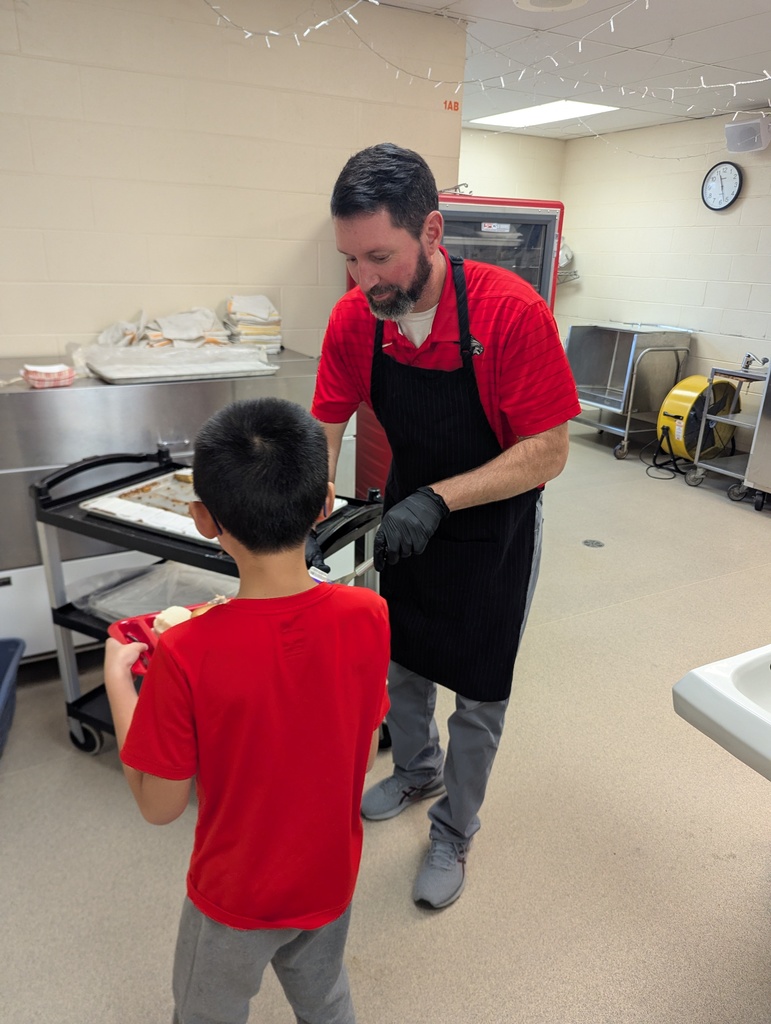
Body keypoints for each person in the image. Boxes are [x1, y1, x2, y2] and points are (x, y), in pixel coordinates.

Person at [311, 143, 581, 911]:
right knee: (402, 660)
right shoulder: (355, 320)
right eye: (349, 260)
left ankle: (455, 827)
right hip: (406, 518)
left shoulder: (509, 314)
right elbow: (326, 420)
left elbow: (548, 451)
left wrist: (438, 498)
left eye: (379, 257)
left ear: (431, 231)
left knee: (480, 689)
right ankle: (414, 767)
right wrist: (311, 500)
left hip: (494, 530)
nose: (364, 281)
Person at [104, 397, 390, 1024]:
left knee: (208, 1011)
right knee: (326, 996)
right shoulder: (369, 615)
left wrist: (119, 683)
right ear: (325, 504)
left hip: (235, 898)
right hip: (329, 879)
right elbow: (363, 755)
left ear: (204, 519)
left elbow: (160, 805)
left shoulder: (186, 650)